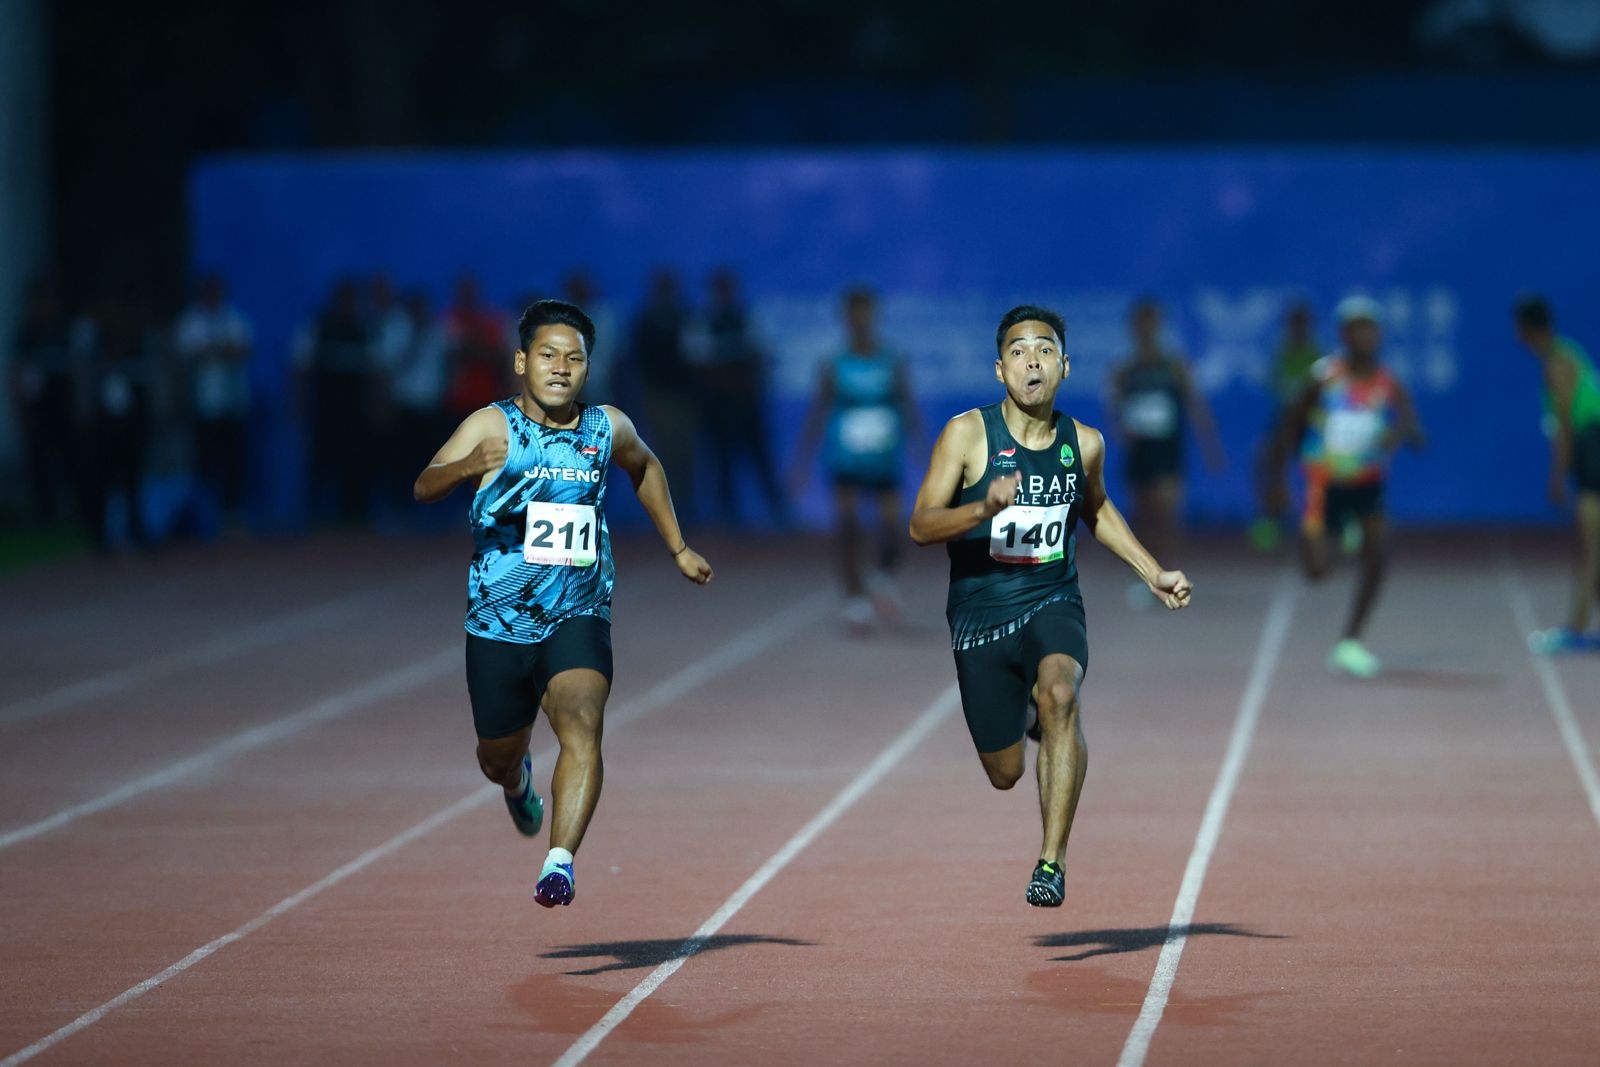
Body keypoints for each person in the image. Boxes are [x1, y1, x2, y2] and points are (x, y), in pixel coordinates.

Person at [413, 299, 712, 909]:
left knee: (581, 724)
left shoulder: (607, 428)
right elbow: (424, 484)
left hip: (577, 612)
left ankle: (560, 862)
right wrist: (470, 466)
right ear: (521, 361)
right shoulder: (490, 425)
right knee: (497, 755)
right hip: (497, 621)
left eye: (574, 359)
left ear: (588, 369)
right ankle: (516, 780)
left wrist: (677, 548)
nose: (560, 368)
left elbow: (646, 466)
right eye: (547, 355)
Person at [909, 304, 1192, 908]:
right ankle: (1039, 723)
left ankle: (1051, 861)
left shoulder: (1084, 443)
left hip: (1052, 597)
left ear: (1064, 366)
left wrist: (1153, 572)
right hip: (979, 613)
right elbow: (922, 525)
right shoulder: (967, 434)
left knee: (1061, 691)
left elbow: (1097, 510)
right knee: (1005, 773)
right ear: (998, 369)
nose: (1030, 359)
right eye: (1017, 350)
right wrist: (982, 509)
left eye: (1043, 349)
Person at [1275, 296, 1425, 679]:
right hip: (1323, 484)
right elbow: (1293, 419)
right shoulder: (1324, 376)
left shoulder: (1388, 382)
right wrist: (1287, 470)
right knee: (1317, 571)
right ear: (1344, 334)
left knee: (1380, 552)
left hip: (1367, 482)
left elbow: (1411, 426)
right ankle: (1342, 535)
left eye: (1370, 328)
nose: (1364, 336)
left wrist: (1401, 434)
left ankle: (1352, 640)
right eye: (1356, 328)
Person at [792, 286, 919, 630]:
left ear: (874, 315)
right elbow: (817, 412)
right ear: (846, 318)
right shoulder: (834, 364)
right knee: (847, 526)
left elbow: (908, 405)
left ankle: (881, 574)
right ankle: (855, 598)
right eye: (854, 313)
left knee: (894, 529)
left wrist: (923, 448)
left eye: (866, 312)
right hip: (846, 458)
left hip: (884, 458)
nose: (861, 320)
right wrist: (802, 462)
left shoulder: (892, 360)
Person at [1108, 298, 1224, 607]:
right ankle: (1147, 578)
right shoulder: (1124, 369)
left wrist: (1210, 447)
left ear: (1158, 326)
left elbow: (1196, 407)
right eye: (1140, 323)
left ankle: (1169, 576)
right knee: (1143, 515)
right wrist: (1121, 432)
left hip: (1167, 451)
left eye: (1151, 322)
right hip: (1140, 454)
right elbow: (1114, 409)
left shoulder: (1174, 366)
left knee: (1167, 511)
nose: (1146, 329)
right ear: (1133, 328)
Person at [1513, 296, 1600, 653]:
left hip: (1594, 452)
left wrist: (1557, 477)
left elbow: (1564, 424)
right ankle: (1578, 626)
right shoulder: (1561, 354)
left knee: (1590, 545)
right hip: (1590, 452)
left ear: (1524, 329)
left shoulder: (1558, 362)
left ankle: (1576, 630)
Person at [693, 267, 791, 529]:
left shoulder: (748, 317)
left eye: (727, 288)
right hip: (717, 405)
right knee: (721, 461)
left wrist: (738, 374)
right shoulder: (703, 320)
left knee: (761, 459)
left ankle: (778, 512)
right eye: (718, 288)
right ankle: (727, 515)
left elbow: (762, 356)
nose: (723, 293)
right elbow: (699, 362)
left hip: (747, 403)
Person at [174, 272, 253, 528]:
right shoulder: (190, 321)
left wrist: (212, 350)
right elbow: (189, 354)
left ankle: (231, 515)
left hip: (233, 404)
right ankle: (202, 515)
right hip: (202, 405)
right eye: (211, 290)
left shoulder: (234, 318)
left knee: (234, 462)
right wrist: (221, 350)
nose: (215, 295)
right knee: (204, 462)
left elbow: (243, 349)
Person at [1249, 300, 1321, 552]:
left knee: (1324, 474)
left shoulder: (1319, 357)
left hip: (1313, 427)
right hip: (1284, 424)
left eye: (1302, 325)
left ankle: (1334, 523)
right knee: (1265, 464)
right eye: (1294, 325)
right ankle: (1272, 519)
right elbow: (1276, 389)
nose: (1298, 329)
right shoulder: (1282, 355)